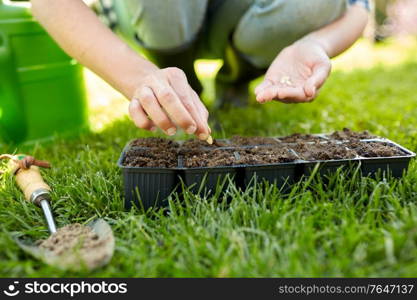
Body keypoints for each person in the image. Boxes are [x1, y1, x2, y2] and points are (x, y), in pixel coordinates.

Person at [30, 0, 369, 141]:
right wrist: (136, 76)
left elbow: (357, 5)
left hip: (239, 14)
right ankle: (176, 79)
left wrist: (316, 44)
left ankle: (233, 81)